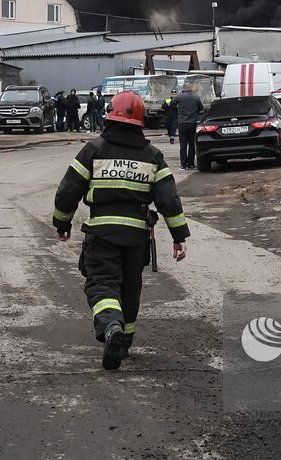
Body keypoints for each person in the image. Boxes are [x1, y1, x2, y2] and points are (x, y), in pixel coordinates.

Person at [52, 91, 189, 369]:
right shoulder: (153, 156)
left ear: (110, 116)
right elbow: (168, 200)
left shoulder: (94, 149)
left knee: (102, 284)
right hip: (136, 237)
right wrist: (179, 236)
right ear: (140, 121)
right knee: (130, 289)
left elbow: (69, 190)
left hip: (102, 233)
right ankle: (124, 342)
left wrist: (62, 223)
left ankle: (111, 328)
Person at [173, 81, 204, 169]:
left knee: (183, 145)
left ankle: (183, 165)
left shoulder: (179, 96)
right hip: (193, 123)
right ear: (191, 88)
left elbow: (172, 105)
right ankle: (191, 164)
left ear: (184, 88)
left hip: (182, 123)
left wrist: (178, 109)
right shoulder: (196, 97)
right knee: (191, 144)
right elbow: (201, 108)